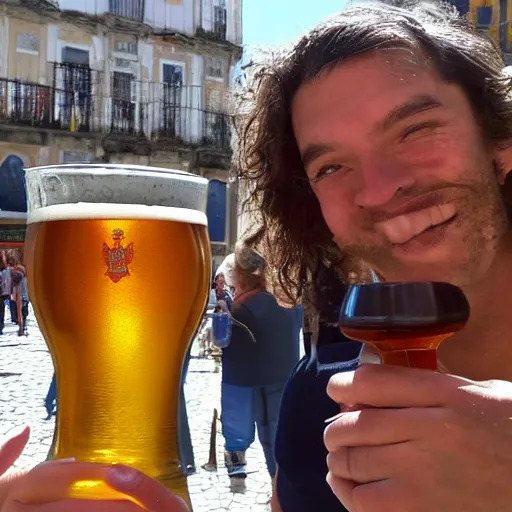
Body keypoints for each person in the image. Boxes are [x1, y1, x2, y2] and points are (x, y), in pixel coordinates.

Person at [234, 1, 512, 510]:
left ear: (499, 140)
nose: (382, 190)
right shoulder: (319, 405)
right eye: (332, 167)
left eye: (416, 129)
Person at [221, 243, 299, 480]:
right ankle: (279, 478)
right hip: (283, 374)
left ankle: (238, 462)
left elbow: (224, 342)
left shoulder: (239, 309)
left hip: (245, 380)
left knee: (249, 426)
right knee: (276, 429)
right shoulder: (289, 303)